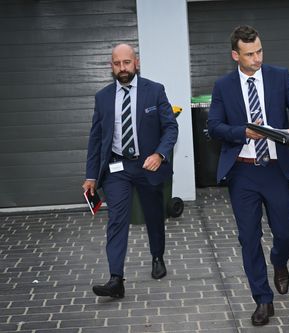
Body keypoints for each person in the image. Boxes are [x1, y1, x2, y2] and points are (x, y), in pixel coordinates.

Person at [207, 25, 289, 326]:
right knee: (249, 238)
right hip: (242, 172)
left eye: (260, 51)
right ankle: (262, 300)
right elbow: (214, 127)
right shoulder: (223, 86)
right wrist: (243, 132)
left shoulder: (279, 76)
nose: (257, 58)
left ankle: (279, 262)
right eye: (250, 54)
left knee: (286, 231)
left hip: (276, 169)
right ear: (235, 55)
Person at [82, 43, 178, 298]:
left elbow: (170, 128)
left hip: (147, 164)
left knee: (153, 214)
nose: (122, 68)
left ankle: (157, 256)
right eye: (117, 64)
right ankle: (116, 279)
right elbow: (95, 139)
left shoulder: (154, 91)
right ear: (111, 66)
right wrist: (91, 176)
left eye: (126, 62)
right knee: (116, 219)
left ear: (136, 62)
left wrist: (159, 154)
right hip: (117, 167)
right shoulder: (102, 97)